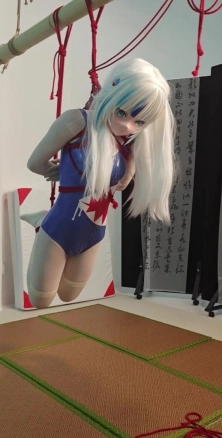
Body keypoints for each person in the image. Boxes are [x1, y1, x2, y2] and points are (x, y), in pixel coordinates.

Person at [22, 58, 176, 308]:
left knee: (68, 295)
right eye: (121, 112)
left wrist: (128, 162)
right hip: (58, 228)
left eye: (139, 122)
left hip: (93, 234)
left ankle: (44, 220)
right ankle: (42, 221)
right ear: (111, 93)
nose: (126, 125)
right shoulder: (77, 121)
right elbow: (35, 163)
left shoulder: (132, 143)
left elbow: (122, 184)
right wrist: (64, 172)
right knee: (41, 300)